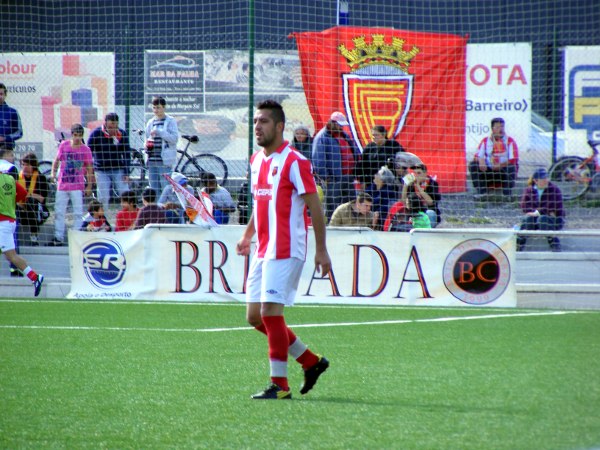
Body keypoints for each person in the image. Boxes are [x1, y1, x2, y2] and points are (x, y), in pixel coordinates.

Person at [236, 100, 331, 400]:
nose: (257, 127)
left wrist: (321, 250)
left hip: (287, 248)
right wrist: (247, 235)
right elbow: (260, 203)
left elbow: (315, 206)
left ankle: (280, 386)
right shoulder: (256, 161)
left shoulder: (295, 161)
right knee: (254, 317)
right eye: (255, 121)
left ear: (279, 126)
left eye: (263, 121)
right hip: (263, 249)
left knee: (270, 313)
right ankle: (311, 361)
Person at [0, 160, 44, 296]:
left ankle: (35, 277)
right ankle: (34, 277)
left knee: (12, 256)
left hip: (2, 223)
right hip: (10, 220)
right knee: (10, 255)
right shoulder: (10, 179)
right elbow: (23, 194)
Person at [49, 123, 95, 246]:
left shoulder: (85, 150)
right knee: (59, 211)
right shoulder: (64, 145)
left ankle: (76, 237)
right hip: (63, 184)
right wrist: (53, 173)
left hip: (77, 186)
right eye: (75, 135)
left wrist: (89, 185)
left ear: (82, 135)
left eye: (80, 135)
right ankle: (58, 237)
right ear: (72, 134)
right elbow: (56, 160)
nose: (77, 138)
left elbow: (89, 168)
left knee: (78, 212)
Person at [311, 111, 359, 219]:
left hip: (348, 177)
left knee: (350, 204)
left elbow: (353, 151)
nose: (341, 127)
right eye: (339, 125)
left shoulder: (344, 135)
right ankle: (332, 225)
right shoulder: (322, 137)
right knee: (333, 205)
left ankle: (349, 224)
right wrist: (326, 177)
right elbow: (318, 159)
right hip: (333, 179)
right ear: (332, 123)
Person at [87, 112, 131, 211]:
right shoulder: (96, 133)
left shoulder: (122, 134)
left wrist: (126, 172)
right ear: (105, 124)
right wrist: (91, 171)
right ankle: (102, 218)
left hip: (118, 169)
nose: (113, 130)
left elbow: (126, 154)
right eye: (111, 127)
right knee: (103, 197)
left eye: (115, 127)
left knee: (125, 194)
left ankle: (128, 217)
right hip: (101, 170)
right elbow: (88, 153)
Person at [469, 117, 519, 199]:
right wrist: (481, 160)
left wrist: (500, 165)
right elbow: (477, 156)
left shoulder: (510, 141)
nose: (500, 129)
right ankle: (482, 192)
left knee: (511, 167)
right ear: (492, 129)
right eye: (497, 127)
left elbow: (513, 159)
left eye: (502, 127)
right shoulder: (486, 141)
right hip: (489, 171)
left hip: (502, 172)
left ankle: (507, 195)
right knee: (473, 165)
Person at [516, 168, 565, 252]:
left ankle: (554, 243)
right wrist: (535, 213)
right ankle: (519, 244)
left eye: (547, 178)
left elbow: (552, 206)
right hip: (535, 219)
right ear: (536, 181)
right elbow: (524, 206)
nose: (546, 180)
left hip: (554, 220)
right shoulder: (529, 190)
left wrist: (537, 212)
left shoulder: (554, 189)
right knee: (528, 219)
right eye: (543, 179)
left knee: (542, 219)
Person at [145, 96, 179, 193]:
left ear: (164, 107)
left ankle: (166, 203)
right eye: (154, 108)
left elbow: (174, 139)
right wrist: (146, 146)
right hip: (152, 160)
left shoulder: (170, 121)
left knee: (165, 187)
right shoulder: (151, 122)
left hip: (164, 161)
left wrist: (160, 132)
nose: (156, 110)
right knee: (153, 188)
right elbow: (147, 138)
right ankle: (156, 203)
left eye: (158, 107)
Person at [16, 152, 50, 245]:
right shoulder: (18, 177)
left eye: (27, 165)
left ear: (33, 165)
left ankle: (34, 237)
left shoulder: (41, 178)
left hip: (37, 211)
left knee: (31, 201)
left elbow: (42, 199)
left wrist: (28, 195)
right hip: (21, 210)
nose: (25, 167)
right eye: (23, 164)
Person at [0, 83, 23, 150]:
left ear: (5, 95)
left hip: (6, 148)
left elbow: (19, 132)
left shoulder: (12, 112)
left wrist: (5, 138)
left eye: (1, 94)